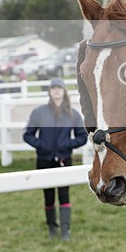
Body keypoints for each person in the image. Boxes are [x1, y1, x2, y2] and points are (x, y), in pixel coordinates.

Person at [23, 78, 87, 241]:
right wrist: (41, 146)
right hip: (44, 160)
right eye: (53, 88)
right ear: (50, 92)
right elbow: (28, 135)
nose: (56, 91)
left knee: (64, 194)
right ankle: (52, 227)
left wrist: (66, 145)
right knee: (49, 195)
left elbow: (82, 137)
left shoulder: (73, 114)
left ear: (64, 91)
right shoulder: (39, 113)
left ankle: (65, 230)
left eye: (59, 88)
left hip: (64, 161)